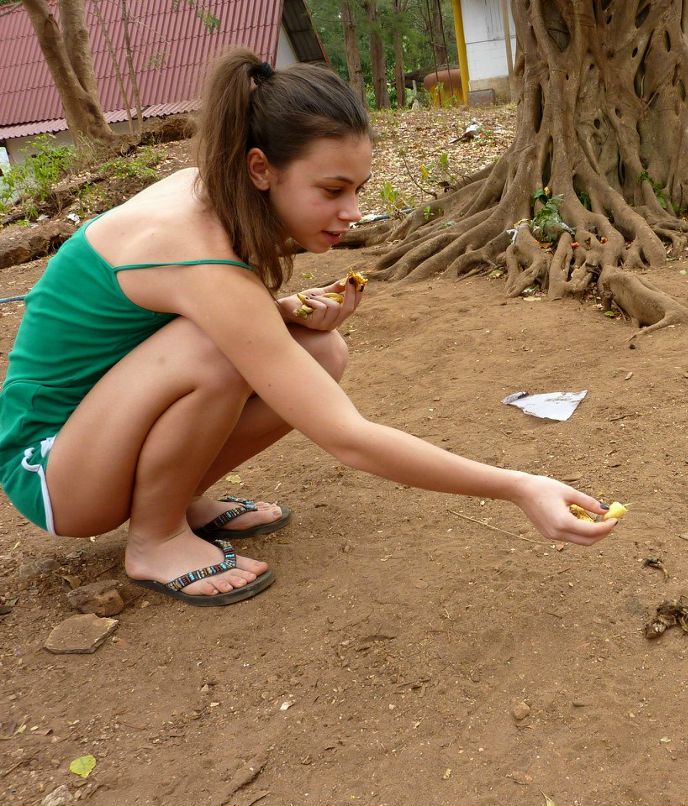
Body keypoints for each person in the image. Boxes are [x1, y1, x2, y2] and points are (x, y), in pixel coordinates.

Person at [0, 49, 616, 607]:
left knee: (320, 350)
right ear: (262, 168)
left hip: (103, 429)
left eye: (359, 189)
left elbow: (152, 321)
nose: (351, 212)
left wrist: (282, 311)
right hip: (54, 470)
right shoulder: (198, 252)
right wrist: (518, 486)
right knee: (218, 353)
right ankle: (156, 538)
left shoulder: (215, 191)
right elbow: (347, 438)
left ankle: (176, 502)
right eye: (331, 190)